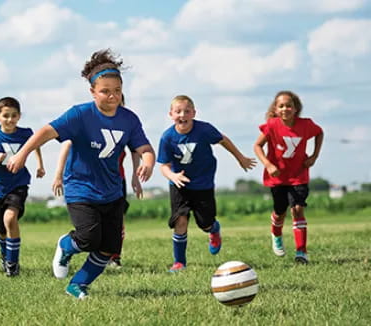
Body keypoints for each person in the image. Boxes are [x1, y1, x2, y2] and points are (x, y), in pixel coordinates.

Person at [7, 49, 155, 299]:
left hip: (112, 191)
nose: (112, 96)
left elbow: (144, 148)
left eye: (117, 90)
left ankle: (78, 285)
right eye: (105, 91)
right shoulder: (80, 114)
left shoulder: (129, 119)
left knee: (109, 247)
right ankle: (66, 245)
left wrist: (148, 162)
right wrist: (22, 154)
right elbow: (46, 131)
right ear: (92, 92)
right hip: (81, 187)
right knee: (88, 238)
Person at [157, 95, 256, 272]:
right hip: (179, 185)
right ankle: (179, 262)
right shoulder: (167, 138)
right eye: (178, 111)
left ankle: (213, 229)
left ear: (194, 113)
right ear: (171, 114)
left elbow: (223, 140)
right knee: (180, 220)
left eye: (187, 111)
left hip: (203, 184)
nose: (182, 114)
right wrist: (173, 176)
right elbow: (163, 166)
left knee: (205, 223)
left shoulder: (204, 130)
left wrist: (240, 158)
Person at [254, 90, 323, 264]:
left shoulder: (306, 125)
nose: (285, 109)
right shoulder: (271, 125)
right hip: (278, 177)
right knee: (280, 212)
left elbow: (319, 133)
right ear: (276, 109)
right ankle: (276, 235)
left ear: (296, 108)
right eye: (281, 106)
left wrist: (314, 156)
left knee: (298, 209)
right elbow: (257, 146)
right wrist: (268, 165)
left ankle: (301, 252)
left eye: (289, 105)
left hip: (299, 175)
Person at [0, 97, 45, 277]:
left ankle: (13, 264)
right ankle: (5, 254)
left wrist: (40, 165)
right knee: (1, 229)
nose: (10, 119)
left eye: (14, 115)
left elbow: (35, 145)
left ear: (19, 116)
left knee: (10, 219)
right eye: (6, 115)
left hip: (19, 184)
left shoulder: (25, 133)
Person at [51, 142, 142, 269]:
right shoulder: (86, 124)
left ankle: (113, 257)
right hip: (88, 180)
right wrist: (58, 174)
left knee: (117, 220)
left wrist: (136, 175)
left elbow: (137, 148)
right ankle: (69, 245)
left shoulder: (125, 123)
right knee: (91, 232)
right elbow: (67, 144)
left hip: (116, 180)